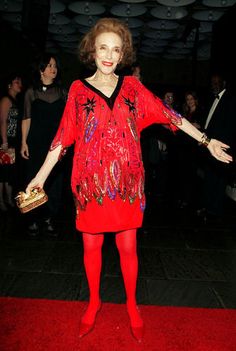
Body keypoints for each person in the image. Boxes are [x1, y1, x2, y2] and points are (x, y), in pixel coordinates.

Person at [24, 18, 232, 342]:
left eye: (116, 50)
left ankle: (133, 305)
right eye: (103, 48)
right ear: (93, 51)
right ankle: (93, 303)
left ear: (122, 55)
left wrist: (207, 141)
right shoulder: (78, 91)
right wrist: (39, 178)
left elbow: (170, 115)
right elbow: (61, 139)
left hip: (127, 186)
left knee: (128, 247)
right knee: (91, 247)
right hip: (91, 186)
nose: (109, 55)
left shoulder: (133, 89)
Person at [21, 53, 67, 236]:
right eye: (49, 65)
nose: (53, 69)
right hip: (36, 142)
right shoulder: (31, 92)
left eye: (54, 65)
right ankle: (33, 218)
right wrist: (24, 142)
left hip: (55, 144)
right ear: (41, 70)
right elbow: (26, 118)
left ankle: (49, 218)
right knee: (34, 177)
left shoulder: (62, 92)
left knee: (54, 181)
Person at [197, 73, 236, 222]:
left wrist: (221, 146)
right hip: (210, 146)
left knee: (219, 181)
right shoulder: (212, 99)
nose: (214, 84)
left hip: (221, 147)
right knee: (210, 178)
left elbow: (230, 126)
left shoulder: (230, 100)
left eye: (216, 82)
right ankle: (208, 207)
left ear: (223, 82)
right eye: (212, 82)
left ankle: (215, 211)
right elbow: (209, 123)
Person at [0, 73, 23, 211]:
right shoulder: (5, 100)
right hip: (5, 141)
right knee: (3, 174)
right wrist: (4, 141)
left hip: (12, 141)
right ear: (9, 85)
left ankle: (8, 199)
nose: (19, 84)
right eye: (16, 82)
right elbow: (3, 121)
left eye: (20, 82)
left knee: (9, 173)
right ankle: (2, 201)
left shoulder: (15, 101)